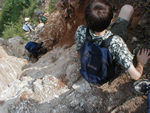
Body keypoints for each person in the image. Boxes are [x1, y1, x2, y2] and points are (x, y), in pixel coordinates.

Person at [75, 0, 150, 80]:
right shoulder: (116, 42)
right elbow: (136, 76)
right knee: (127, 8)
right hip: (105, 74)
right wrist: (141, 63)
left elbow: (79, 51)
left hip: (89, 68)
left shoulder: (81, 30)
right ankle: (129, 28)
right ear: (111, 21)